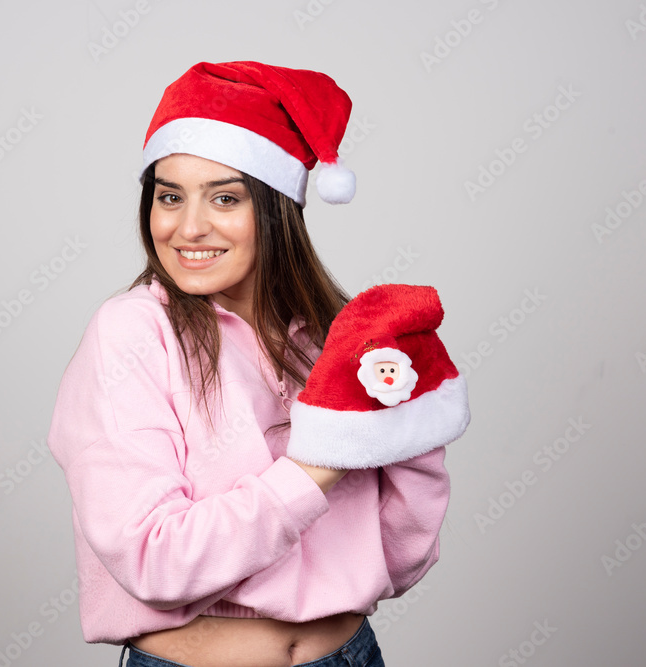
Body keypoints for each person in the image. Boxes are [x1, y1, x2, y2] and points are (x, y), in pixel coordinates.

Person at [47, 61, 461, 667]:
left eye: (224, 197)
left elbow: (399, 559)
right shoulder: (134, 332)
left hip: (350, 655)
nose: (188, 227)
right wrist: (319, 463)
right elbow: (152, 559)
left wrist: (416, 439)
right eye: (169, 196)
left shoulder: (333, 336)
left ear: (275, 209)